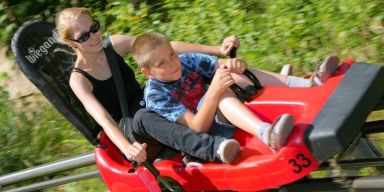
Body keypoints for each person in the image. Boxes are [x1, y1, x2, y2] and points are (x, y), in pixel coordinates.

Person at [56, 7, 245, 164]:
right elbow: (103, 118)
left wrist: (218, 50)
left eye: (94, 28)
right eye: (83, 37)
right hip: (134, 131)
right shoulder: (79, 79)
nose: (94, 37)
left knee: (176, 71)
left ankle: (248, 104)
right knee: (145, 115)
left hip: (149, 105)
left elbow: (159, 48)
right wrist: (127, 148)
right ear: (70, 42)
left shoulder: (113, 44)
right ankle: (212, 148)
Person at [131, 32, 339, 163]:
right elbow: (196, 127)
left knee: (233, 74)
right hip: (205, 135)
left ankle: (307, 85)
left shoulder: (185, 61)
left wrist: (235, 65)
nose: (173, 64)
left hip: (223, 112)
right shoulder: (155, 96)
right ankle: (267, 134)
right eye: (162, 64)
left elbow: (223, 67)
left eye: (172, 55)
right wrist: (213, 90)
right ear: (147, 72)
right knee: (221, 91)